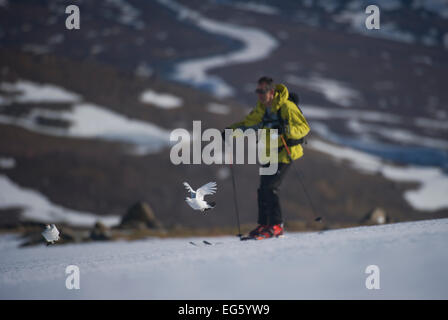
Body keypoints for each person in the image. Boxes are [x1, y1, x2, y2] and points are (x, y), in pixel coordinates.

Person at [223, 76, 310, 240]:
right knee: (262, 189)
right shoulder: (261, 108)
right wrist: (230, 132)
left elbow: (304, 127)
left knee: (271, 187)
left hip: (285, 152)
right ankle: (264, 225)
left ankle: (276, 226)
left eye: (262, 91)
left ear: (271, 91)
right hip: (269, 152)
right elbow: (248, 125)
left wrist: (288, 130)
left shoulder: (286, 106)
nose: (260, 94)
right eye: (258, 91)